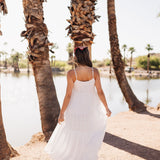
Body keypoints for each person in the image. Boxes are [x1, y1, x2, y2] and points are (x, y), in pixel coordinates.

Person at [44, 46, 111, 160]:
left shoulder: (71, 73)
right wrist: (106, 108)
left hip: (75, 107)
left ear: (76, 57)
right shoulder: (94, 72)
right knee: (87, 132)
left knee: (74, 132)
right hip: (91, 108)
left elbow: (68, 95)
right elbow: (100, 92)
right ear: (87, 56)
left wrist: (62, 113)